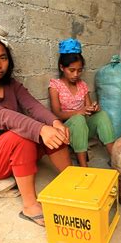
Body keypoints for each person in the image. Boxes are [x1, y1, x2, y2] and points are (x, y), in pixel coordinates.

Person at [0, 15, 72, 227]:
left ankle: (73, 180)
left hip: (19, 153)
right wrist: (40, 129)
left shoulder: (12, 85)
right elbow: (0, 116)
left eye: (3, 58)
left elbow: (33, 106)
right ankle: (29, 206)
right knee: (24, 134)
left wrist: (54, 123)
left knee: (55, 131)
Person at [49, 38, 115, 167]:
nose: (76, 74)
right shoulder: (55, 86)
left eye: (79, 70)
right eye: (72, 70)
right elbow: (57, 114)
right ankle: (83, 166)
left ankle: (114, 158)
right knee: (79, 119)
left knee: (102, 115)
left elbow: (88, 108)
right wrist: (79, 112)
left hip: (84, 127)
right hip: (68, 130)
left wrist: (93, 109)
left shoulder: (82, 85)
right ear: (62, 67)